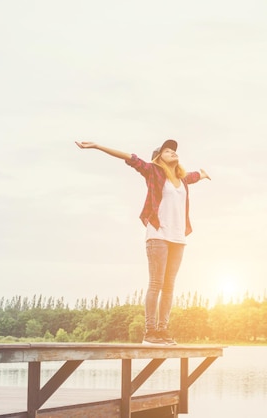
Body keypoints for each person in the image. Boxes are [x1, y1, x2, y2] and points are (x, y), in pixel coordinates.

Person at [75, 139, 210, 345]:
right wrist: (97, 146)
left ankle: (163, 331)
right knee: (156, 283)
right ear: (158, 158)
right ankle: (150, 333)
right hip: (158, 235)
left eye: (174, 150)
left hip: (178, 238)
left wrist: (202, 174)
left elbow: (194, 176)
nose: (173, 152)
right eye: (167, 151)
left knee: (169, 286)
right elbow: (130, 158)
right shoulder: (153, 172)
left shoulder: (182, 179)